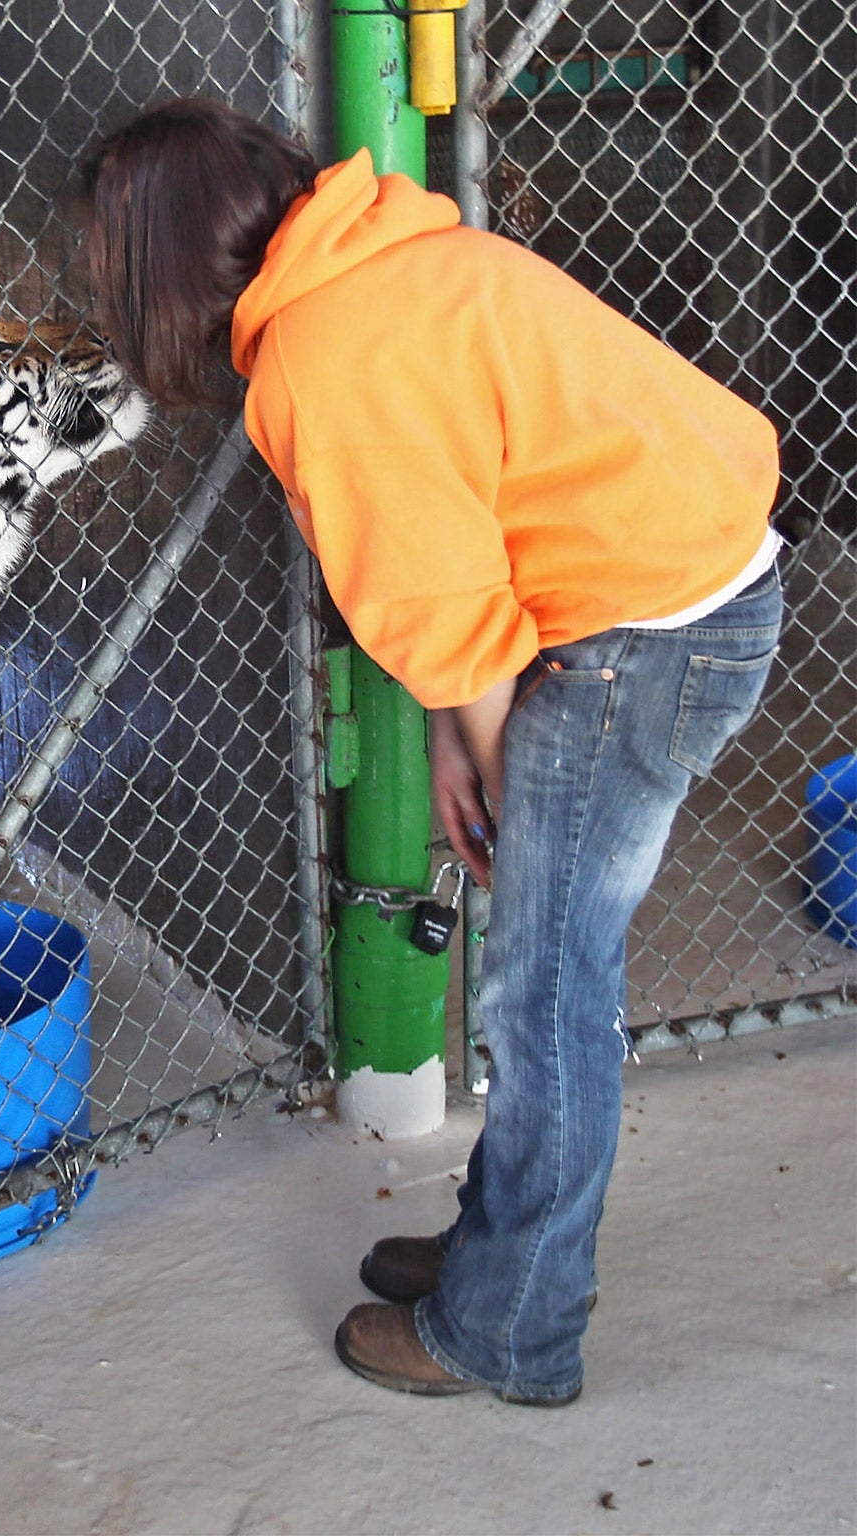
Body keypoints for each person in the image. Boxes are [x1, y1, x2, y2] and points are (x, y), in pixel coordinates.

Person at [80, 98, 783, 1406]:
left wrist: (503, 756)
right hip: (683, 598)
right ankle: (494, 1250)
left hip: (638, 640)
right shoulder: (397, 263)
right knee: (541, 980)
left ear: (156, 269)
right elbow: (452, 562)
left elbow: (447, 614)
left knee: (542, 998)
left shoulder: (320, 360)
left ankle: (510, 1328)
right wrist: (469, 753)